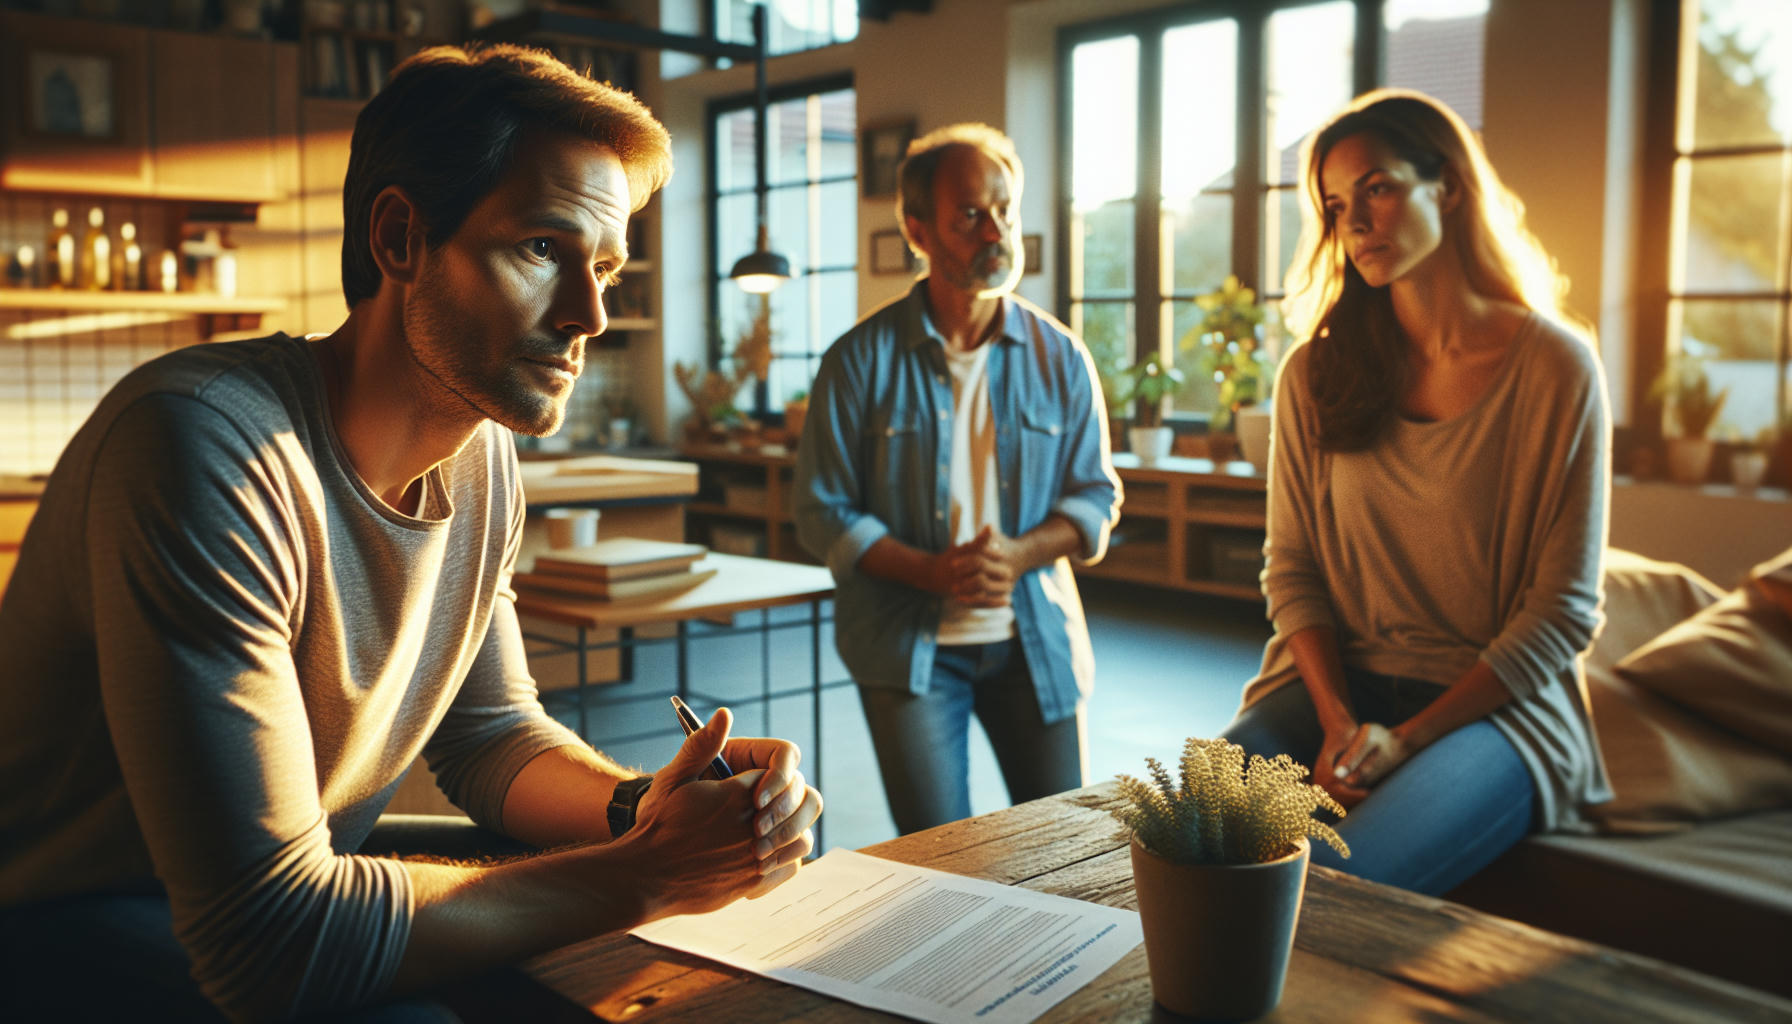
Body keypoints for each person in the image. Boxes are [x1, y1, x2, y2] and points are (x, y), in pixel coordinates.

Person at [0, 45, 821, 1022]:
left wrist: (640, 806)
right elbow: (268, 944)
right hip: (64, 918)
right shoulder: (201, 446)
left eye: (604, 265)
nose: (589, 314)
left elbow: (493, 741)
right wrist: (648, 870)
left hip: (296, 878)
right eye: (543, 251)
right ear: (399, 237)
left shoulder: (481, 458)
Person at [1219, 88, 1611, 896]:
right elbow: (1291, 569)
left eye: (1380, 187)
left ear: (1450, 188)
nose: (1356, 221)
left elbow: (1564, 611)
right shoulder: (1314, 373)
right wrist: (1335, 721)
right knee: (1194, 834)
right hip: (1330, 692)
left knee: (1325, 884)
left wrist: (1407, 739)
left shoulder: (1558, 369)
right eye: (1335, 204)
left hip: (1500, 712)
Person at [794, 123, 1121, 836]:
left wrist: (1019, 554)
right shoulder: (857, 362)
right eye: (971, 214)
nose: (996, 230)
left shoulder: (1061, 357)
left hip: (1036, 643)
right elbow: (822, 512)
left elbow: (1096, 495)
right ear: (918, 229)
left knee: (1063, 844)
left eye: (1005, 209)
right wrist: (930, 572)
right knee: (939, 855)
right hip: (906, 650)